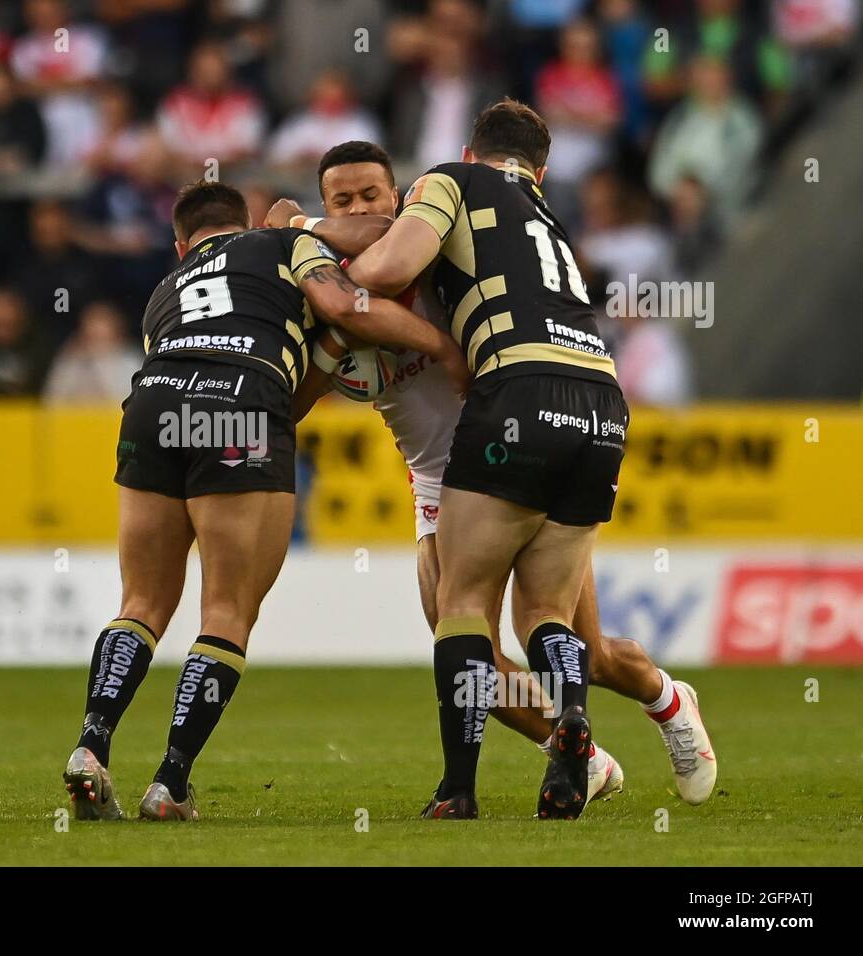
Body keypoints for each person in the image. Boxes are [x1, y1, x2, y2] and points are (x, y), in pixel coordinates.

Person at [292, 107, 715, 819]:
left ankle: (669, 701)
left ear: (402, 196)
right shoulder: (334, 279)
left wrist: (300, 233)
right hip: (443, 472)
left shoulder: (434, 232)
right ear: (327, 203)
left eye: (373, 197)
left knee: (586, 649)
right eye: (343, 201)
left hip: (517, 424)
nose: (362, 210)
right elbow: (310, 379)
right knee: (475, 655)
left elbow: (373, 277)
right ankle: (573, 747)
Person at [61, 180, 468, 822]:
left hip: (153, 404)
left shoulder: (164, 293)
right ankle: (171, 782)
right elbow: (357, 281)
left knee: (140, 603)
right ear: (244, 223)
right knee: (226, 610)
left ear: (180, 245)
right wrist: (436, 343)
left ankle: (91, 744)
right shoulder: (282, 243)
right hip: (241, 405)